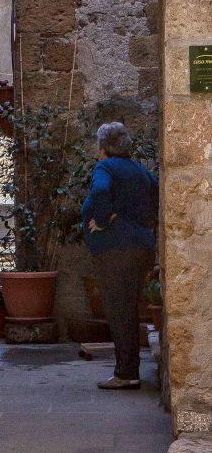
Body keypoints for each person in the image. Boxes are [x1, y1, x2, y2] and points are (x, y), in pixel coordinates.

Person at [81, 122, 158, 390]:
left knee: (118, 311)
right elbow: (157, 195)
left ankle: (126, 373)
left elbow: (101, 191)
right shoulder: (139, 170)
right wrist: (129, 214)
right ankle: (129, 370)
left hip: (116, 249)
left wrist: (103, 219)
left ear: (102, 148)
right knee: (130, 308)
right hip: (142, 247)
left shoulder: (105, 168)